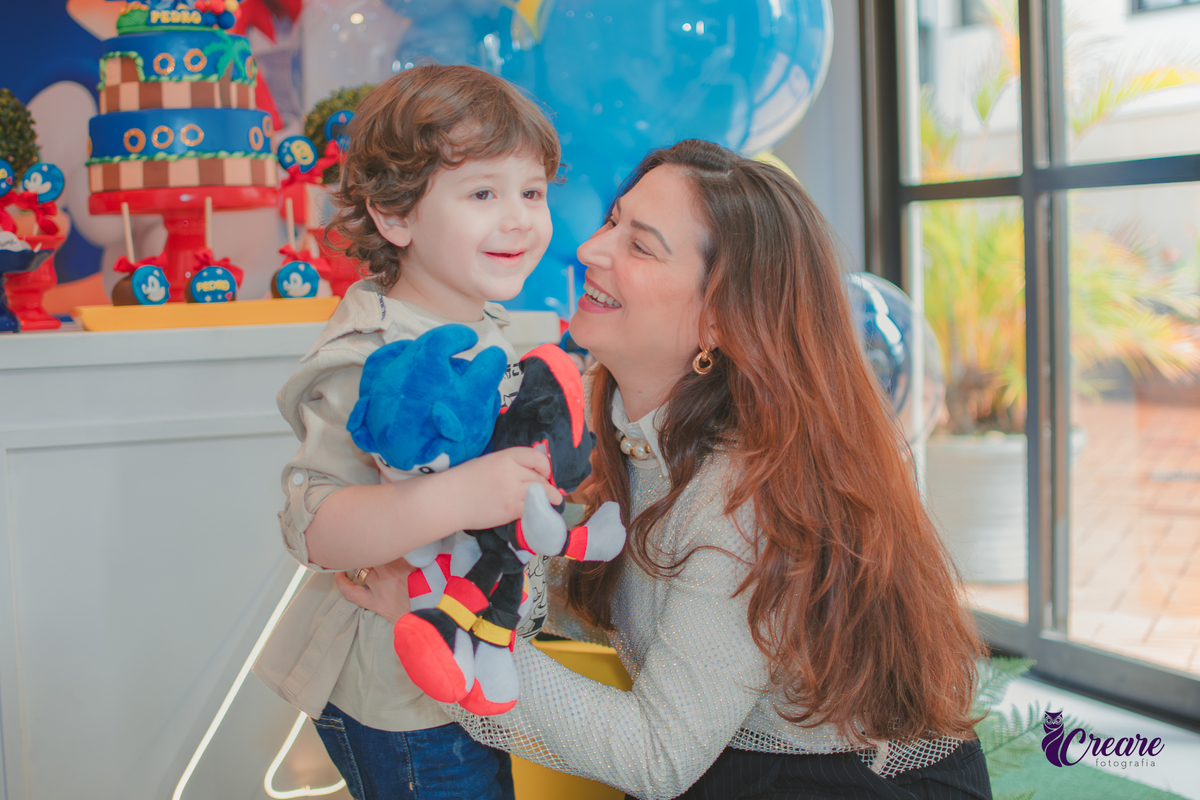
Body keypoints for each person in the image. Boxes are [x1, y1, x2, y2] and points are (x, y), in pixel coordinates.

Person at [339, 139, 994, 800]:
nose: (591, 250)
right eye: (612, 221)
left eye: (640, 245)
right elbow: (555, 587)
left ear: (720, 319)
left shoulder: (743, 500)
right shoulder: (602, 418)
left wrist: (432, 620)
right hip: (723, 764)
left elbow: (656, 757)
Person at [251, 64, 563, 800]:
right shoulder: (374, 355)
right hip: (402, 694)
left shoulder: (496, 328)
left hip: (477, 655)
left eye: (532, 192)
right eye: (483, 193)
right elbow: (316, 527)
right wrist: (458, 497)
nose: (518, 218)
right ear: (395, 217)